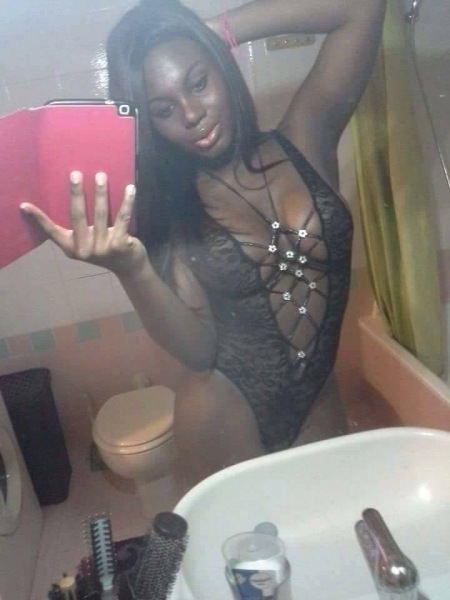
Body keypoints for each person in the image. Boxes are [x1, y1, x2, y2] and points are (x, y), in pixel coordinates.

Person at [21, 0, 387, 485]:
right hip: (226, 422)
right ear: (149, 123)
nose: (192, 114)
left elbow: (362, 8)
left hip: (320, 402)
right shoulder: (169, 209)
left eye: (198, 82)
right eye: (164, 110)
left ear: (220, 64)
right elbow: (198, 352)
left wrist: (213, 30)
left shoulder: (307, 136)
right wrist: (132, 269)